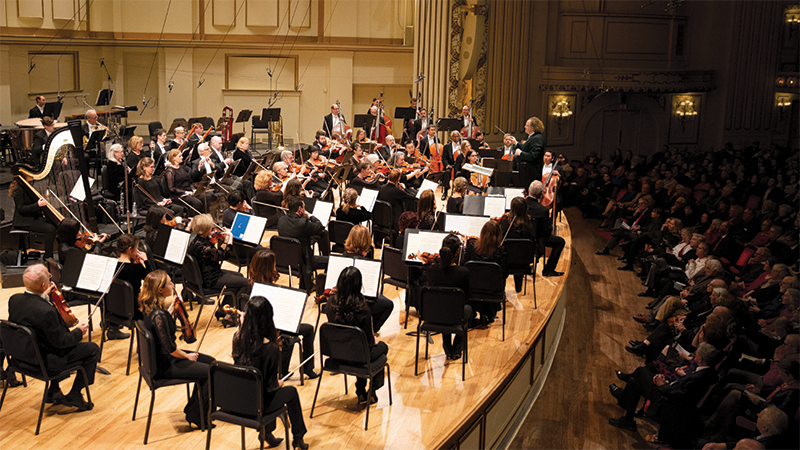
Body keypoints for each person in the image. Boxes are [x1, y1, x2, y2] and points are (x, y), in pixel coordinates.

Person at [8, 264, 98, 411]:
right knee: (92, 349)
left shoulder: (14, 300)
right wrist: (79, 332)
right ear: (44, 285)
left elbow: (35, 315)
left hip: (21, 357)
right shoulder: (46, 311)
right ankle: (75, 394)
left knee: (46, 341)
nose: (51, 279)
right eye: (49, 277)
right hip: (44, 363)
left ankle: (54, 391)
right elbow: (62, 342)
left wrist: (45, 297)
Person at [231, 296, 310, 449]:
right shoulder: (270, 349)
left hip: (238, 399)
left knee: (263, 390)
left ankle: (267, 433)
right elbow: (270, 386)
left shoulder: (237, 338)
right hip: (257, 405)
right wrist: (278, 383)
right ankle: (298, 438)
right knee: (290, 392)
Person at [140, 270, 215, 429]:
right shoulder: (159, 315)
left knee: (212, 362)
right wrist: (186, 357)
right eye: (169, 283)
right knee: (211, 371)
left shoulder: (150, 308)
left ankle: (193, 408)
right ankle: (197, 415)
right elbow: (170, 348)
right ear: (160, 289)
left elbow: (160, 326)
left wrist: (172, 309)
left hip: (160, 359)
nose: (173, 285)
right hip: (165, 364)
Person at [608, 342, 722, 432]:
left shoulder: (699, 377)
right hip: (669, 390)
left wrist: (662, 385)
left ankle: (623, 397)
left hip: (665, 401)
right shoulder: (708, 371)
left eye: (697, 353)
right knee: (633, 382)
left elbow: (679, 396)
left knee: (640, 371)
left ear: (700, 359)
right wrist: (666, 381)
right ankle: (628, 420)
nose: (694, 354)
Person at [243, 249, 319, 381]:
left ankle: (285, 369)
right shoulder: (265, 289)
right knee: (307, 329)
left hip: (257, 326)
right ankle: (306, 368)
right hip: (270, 326)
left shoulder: (250, 283)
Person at [325, 266, 389, 404]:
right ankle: (370, 390)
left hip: (336, 353)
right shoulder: (362, 309)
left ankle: (361, 391)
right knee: (382, 348)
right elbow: (369, 343)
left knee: (360, 350)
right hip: (357, 356)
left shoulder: (330, 303)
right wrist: (374, 340)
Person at [423, 233, 472, 359]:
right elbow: (466, 298)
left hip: (433, 315)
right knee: (469, 310)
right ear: (457, 253)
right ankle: (456, 348)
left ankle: (447, 346)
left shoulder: (430, 271)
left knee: (443, 305)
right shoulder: (463, 272)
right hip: (455, 316)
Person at [187, 214, 250, 310]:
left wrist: (224, 241)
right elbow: (224, 255)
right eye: (210, 226)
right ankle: (229, 314)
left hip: (206, 275)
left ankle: (224, 310)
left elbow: (217, 254)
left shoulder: (196, 241)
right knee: (246, 283)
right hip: (210, 280)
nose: (213, 227)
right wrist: (230, 240)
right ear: (206, 228)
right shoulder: (204, 248)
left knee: (239, 277)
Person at [342, 225, 395, 333]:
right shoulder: (364, 263)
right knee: (388, 305)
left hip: (342, 298)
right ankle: (369, 331)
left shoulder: (343, 256)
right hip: (360, 299)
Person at [277, 196, 331, 292]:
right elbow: (320, 227)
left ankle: (308, 283)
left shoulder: (281, 220)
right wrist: (310, 216)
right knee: (331, 261)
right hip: (304, 260)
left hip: (285, 259)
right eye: (304, 207)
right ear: (300, 209)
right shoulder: (303, 223)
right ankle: (321, 286)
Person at [9, 172, 57, 259]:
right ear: (24, 175)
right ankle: (48, 257)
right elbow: (21, 208)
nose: (33, 175)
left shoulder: (27, 186)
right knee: (51, 229)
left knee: (56, 224)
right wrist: (37, 205)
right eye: (29, 173)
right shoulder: (18, 189)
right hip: (23, 221)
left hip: (31, 217)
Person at [526, 180, 565, 276]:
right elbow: (547, 231)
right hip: (537, 242)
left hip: (522, 238)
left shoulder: (520, 205)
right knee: (560, 242)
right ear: (541, 194)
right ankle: (548, 270)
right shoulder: (543, 210)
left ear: (528, 190)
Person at [501, 197, 536, 292]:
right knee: (519, 253)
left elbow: (500, 244)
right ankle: (518, 287)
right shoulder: (529, 226)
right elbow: (533, 246)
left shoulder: (505, 224)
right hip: (524, 263)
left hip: (506, 263)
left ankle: (501, 290)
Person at [115, 233, 149, 320]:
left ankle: (112, 329)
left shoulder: (112, 265)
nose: (137, 251)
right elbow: (154, 280)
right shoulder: (136, 268)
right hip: (134, 309)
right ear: (130, 249)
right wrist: (146, 261)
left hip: (114, 308)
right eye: (136, 249)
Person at [163, 149, 207, 216]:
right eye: (180, 156)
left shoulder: (182, 167)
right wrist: (184, 192)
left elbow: (189, 181)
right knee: (197, 203)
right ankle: (193, 221)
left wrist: (193, 189)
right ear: (174, 158)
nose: (182, 157)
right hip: (178, 195)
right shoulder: (170, 171)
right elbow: (171, 188)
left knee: (204, 197)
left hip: (188, 191)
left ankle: (204, 220)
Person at [378, 169, 417, 235]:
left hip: (381, 218)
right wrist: (404, 189)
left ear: (389, 177)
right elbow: (413, 197)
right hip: (393, 220)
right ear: (398, 179)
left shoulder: (381, 188)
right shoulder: (397, 191)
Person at [510, 117, 545, 187]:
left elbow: (533, 156)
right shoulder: (533, 137)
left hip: (531, 173)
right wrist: (516, 143)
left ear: (532, 127)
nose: (525, 127)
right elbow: (525, 148)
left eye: (527, 125)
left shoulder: (537, 138)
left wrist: (520, 153)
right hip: (527, 172)